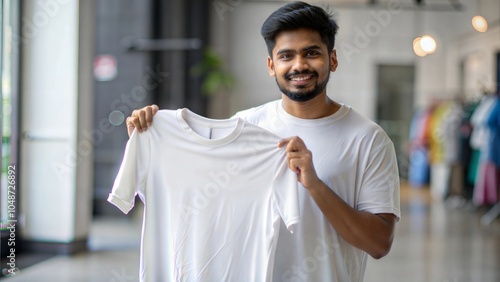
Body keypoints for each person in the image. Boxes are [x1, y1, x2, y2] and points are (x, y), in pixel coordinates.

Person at [125, 1, 400, 281]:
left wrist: (314, 184)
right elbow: (196, 197)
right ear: (271, 65)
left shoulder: (368, 139)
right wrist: (151, 141)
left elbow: (378, 243)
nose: (299, 65)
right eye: (286, 56)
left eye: (312, 53)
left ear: (333, 59)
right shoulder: (244, 126)